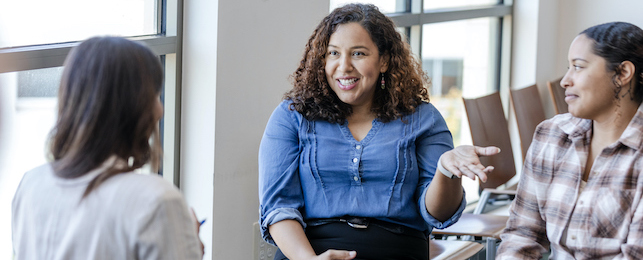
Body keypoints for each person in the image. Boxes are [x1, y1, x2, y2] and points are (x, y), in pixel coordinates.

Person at [258, 4, 499, 260]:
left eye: (358, 53)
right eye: (333, 54)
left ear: (384, 60)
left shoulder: (423, 118)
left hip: (397, 251)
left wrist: (446, 171)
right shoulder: (292, 116)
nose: (344, 66)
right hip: (308, 252)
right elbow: (279, 208)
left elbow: (440, 214)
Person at [11, 36, 203, 259]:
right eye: (154, 96)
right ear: (132, 107)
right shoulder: (157, 201)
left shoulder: (31, 185)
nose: (160, 110)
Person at [497, 21, 643, 259]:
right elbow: (523, 234)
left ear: (622, 73)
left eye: (578, 67)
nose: (565, 80)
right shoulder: (552, 135)